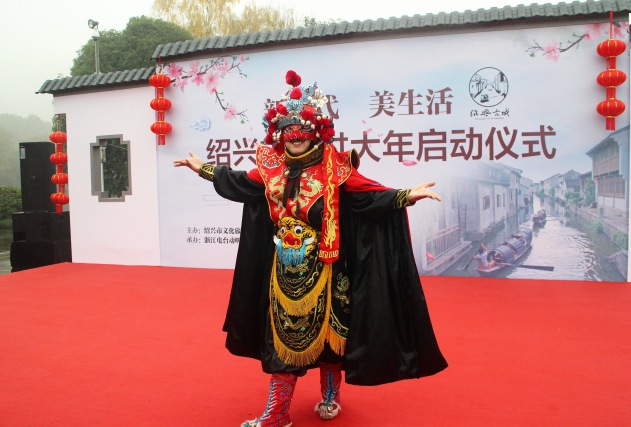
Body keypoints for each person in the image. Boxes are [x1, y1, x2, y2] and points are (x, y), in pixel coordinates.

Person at [174, 70, 447, 427]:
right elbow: (240, 182)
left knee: (332, 339)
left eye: (302, 131)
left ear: (316, 131)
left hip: (327, 268)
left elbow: (368, 196)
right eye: (287, 131)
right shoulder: (271, 168)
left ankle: (330, 394)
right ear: (278, 133)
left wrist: (405, 196)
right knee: (281, 337)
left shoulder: (335, 167)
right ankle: (278, 414)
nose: (295, 138)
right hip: (283, 270)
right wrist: (204, 169)